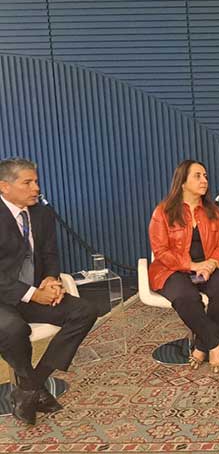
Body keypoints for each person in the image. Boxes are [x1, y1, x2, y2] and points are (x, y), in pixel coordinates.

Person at [0, 158, 97, 425]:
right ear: (4, 187)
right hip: (3, 298)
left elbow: (50, 254)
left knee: (84, 311)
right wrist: (32, 294)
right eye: (27, 182)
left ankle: (30, 385)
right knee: (14, 329)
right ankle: (32, 388)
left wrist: (51, 279)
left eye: (36, 181)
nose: (36, 188)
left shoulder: (42, 213)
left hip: (34, 292)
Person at [148, 160, 219, 374]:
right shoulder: (163, 212)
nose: (204, 180)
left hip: (207, 267)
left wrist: (211, 264)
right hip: (172, 270)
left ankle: (201, 346)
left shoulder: (213, 212)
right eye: (197, 176)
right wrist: (192, 265)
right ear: (182, 182)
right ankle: (214, 345)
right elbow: (161, 252)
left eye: (205, 175)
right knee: (186, 297)